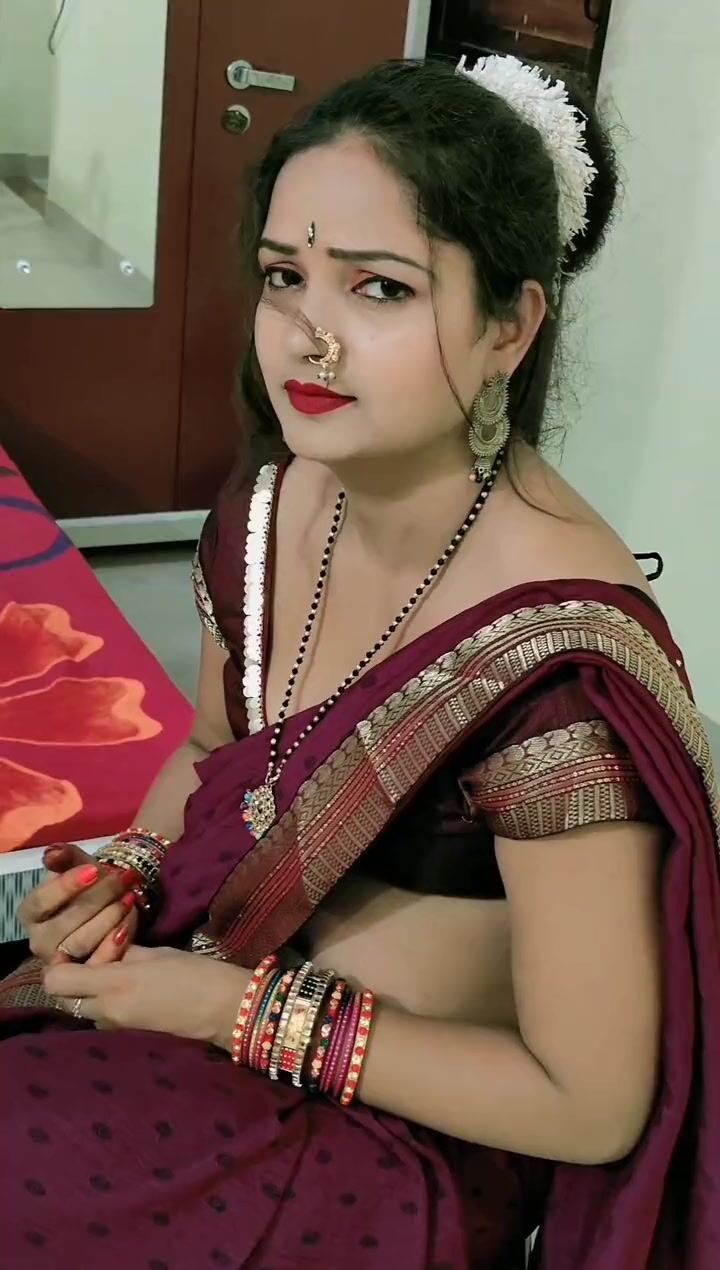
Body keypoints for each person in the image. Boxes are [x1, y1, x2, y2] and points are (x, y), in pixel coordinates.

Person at [1, 55, 718, 1270]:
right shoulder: (270, 507)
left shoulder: (557, 671)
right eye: (286, 276)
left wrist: (231, 1008)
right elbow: (213, 748)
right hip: (204, 981)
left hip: (394, 1136)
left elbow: (590, 1103)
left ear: (510, 327)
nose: (309, 338)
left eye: (380, 287)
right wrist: (128, 871)